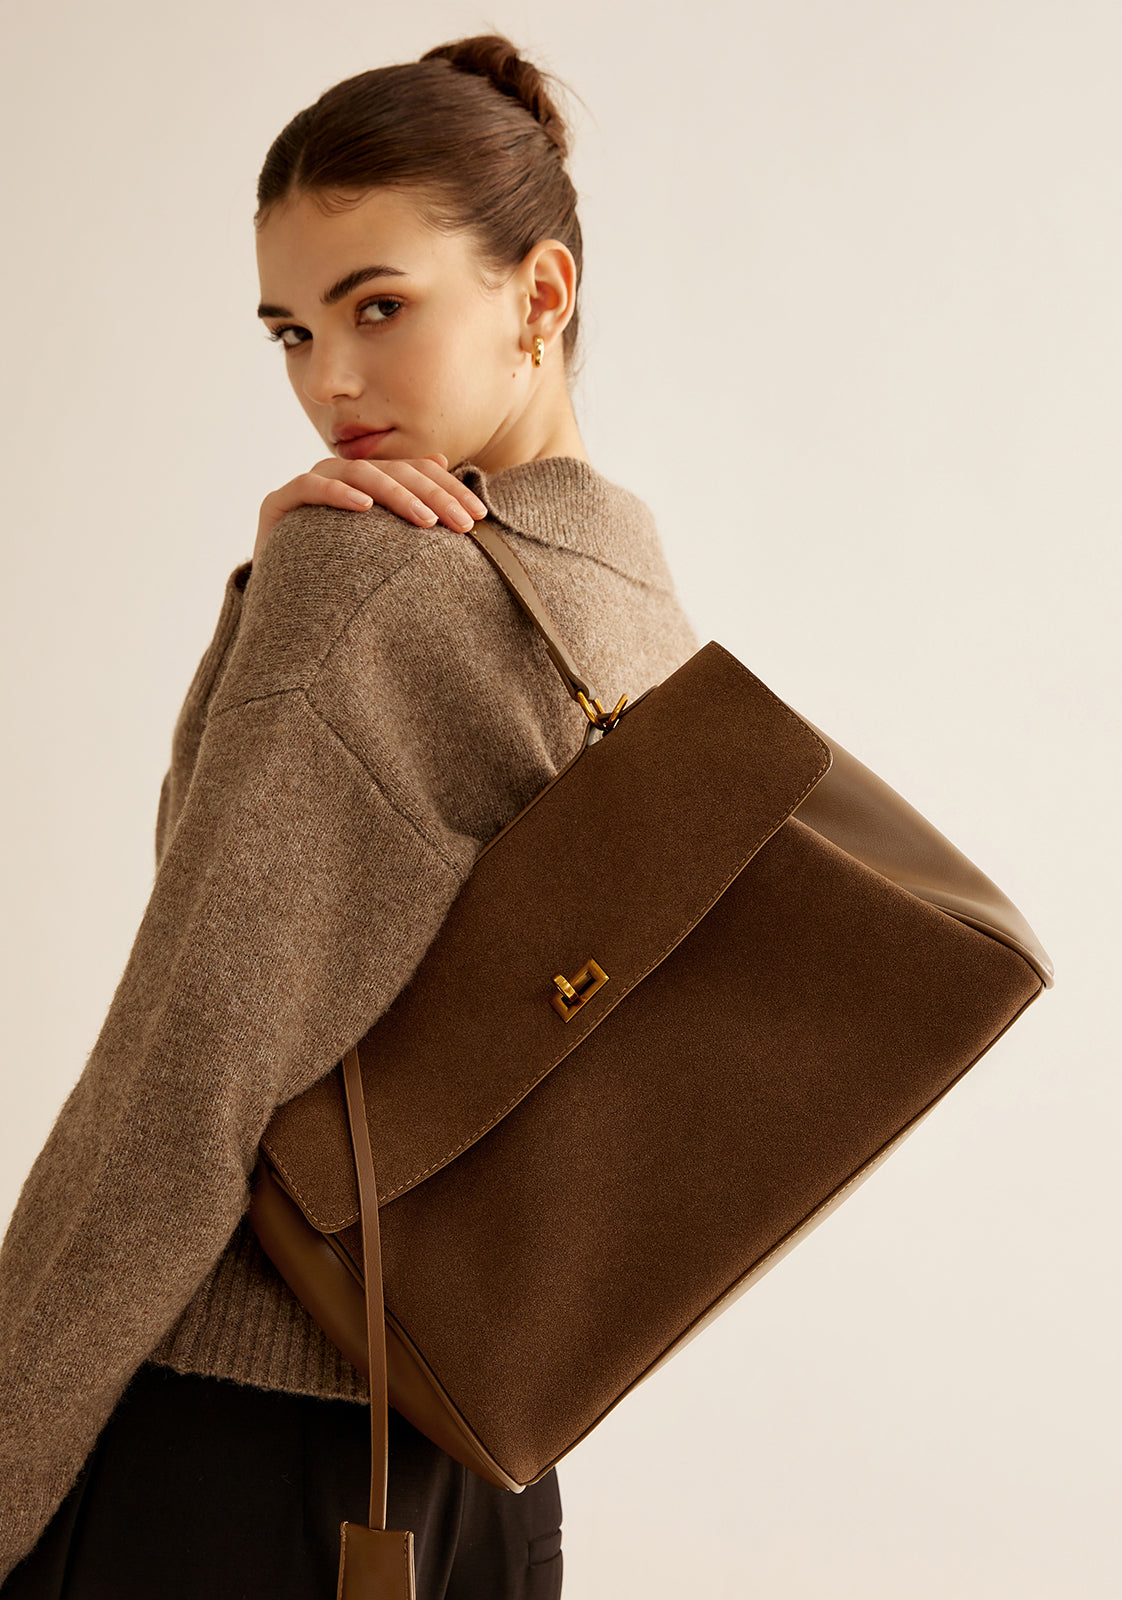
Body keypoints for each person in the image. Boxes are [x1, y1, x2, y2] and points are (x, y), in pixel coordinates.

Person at [0, 34, 701, 1600]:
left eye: (380, 307)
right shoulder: (630, 590)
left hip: (229, 1453)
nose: (329, 382)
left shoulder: (369, 579)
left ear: (541, 293)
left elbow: (192, 1063)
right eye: (292, 331)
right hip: (483, 1468)